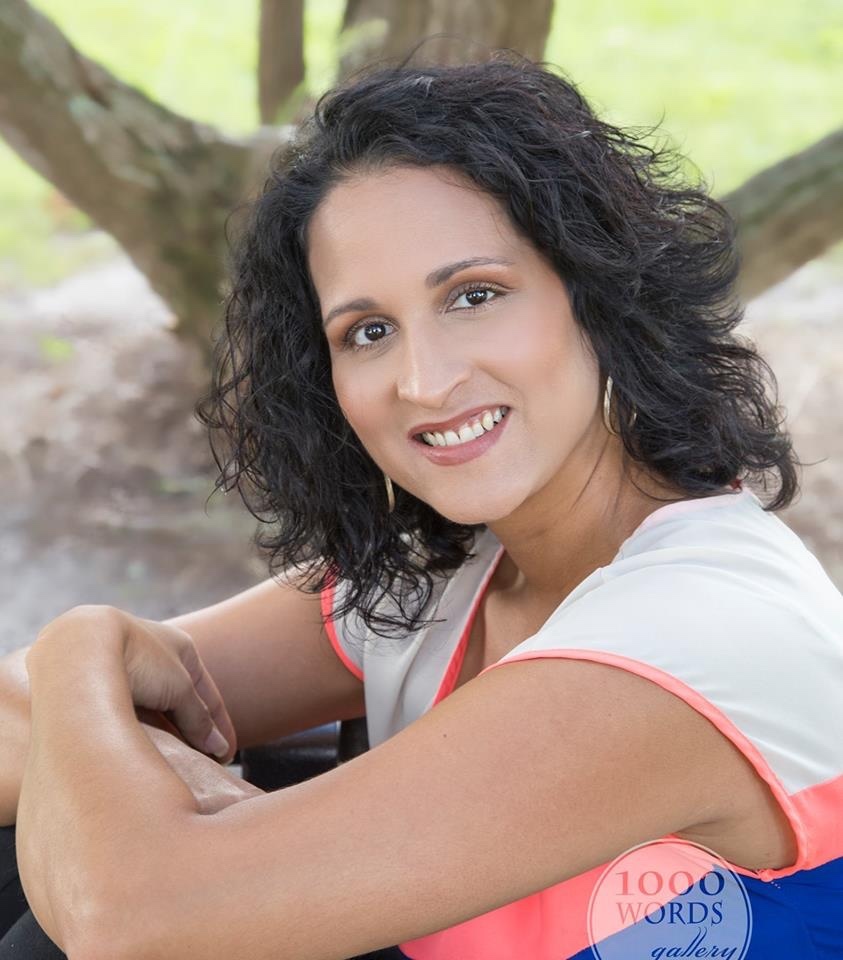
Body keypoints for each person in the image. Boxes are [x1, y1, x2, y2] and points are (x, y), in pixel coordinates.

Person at [1, 54, 841, 960]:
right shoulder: (446, 572)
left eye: (474, 296)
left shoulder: (694, 633)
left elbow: (125, 917)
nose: (424, 380)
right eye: (367, 331)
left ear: (598, 295)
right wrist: (161, 780)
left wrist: (77, 646)